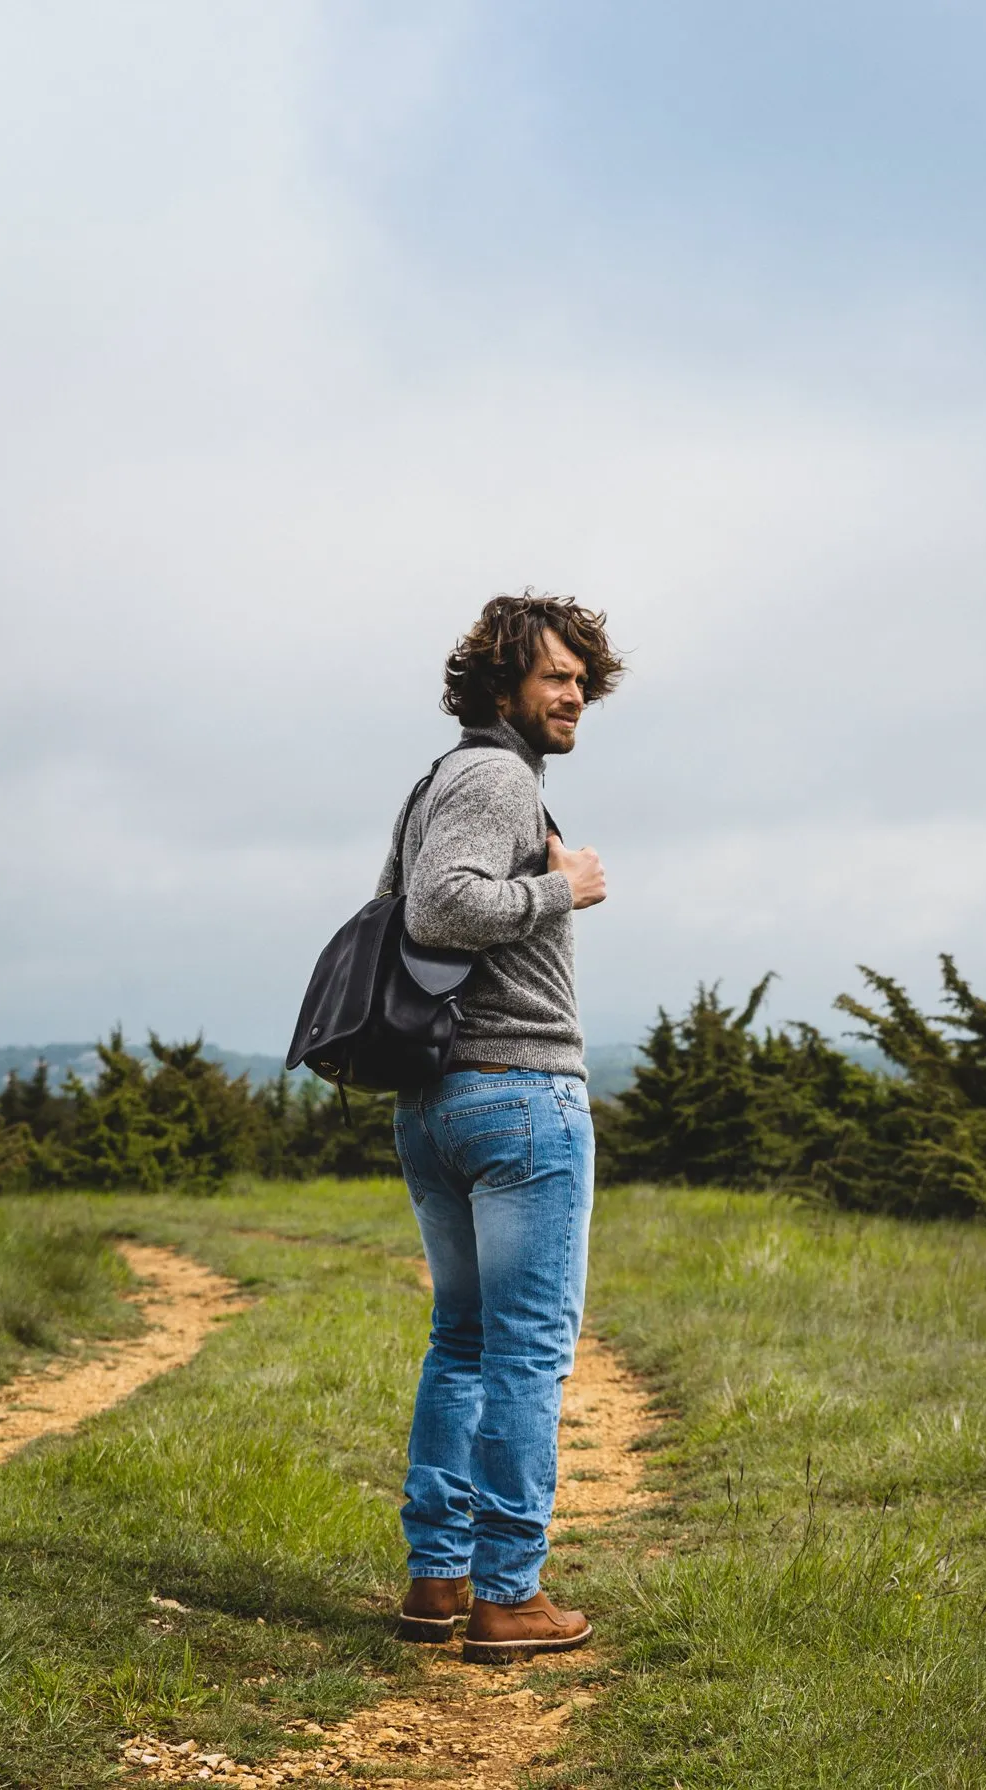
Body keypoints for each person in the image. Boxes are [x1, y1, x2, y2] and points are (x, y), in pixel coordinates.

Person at [382, 591, 625, 1663]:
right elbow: (440, 906)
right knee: (525, 1351)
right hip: (519, 1098)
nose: (573, 692)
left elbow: (412, 904)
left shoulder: (443, 780)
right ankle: (508, 1593)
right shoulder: (493, 775)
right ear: (499, 685)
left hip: (440, 1100)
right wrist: (558, 888)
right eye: (553, 676)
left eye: (580, 676)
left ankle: (438, 1578)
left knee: (465, 1342)